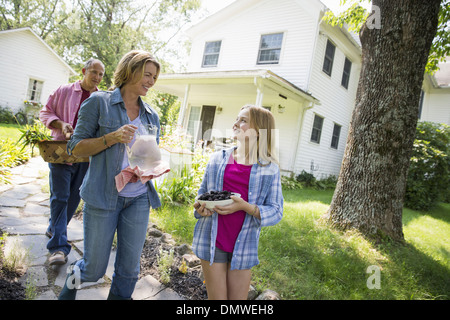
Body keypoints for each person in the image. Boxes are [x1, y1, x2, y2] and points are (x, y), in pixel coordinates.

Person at [61, 50, 161, 300]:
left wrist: (151, 167)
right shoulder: (99, 103)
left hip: (138, 198)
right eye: (147, 75)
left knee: (129, 270)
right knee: (92, 269)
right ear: (131, 70)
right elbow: (75, 146)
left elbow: (147, 158)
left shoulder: (152, 116)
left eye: (154, 78)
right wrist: (111, 138)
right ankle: (69, 286)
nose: (150, 81)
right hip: (103, 195)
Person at [192, 104, 283, 300]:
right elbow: (201, 195)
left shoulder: (269, 168)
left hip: (244, 246)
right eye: (236, 118)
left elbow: (276, 211)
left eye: (243, 120)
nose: (235, 124)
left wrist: (245, 207)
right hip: (212, 240)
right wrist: (200, 208)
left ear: (259, 131)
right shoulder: (217, 159)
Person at [39, 58, 105, 266]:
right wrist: (61, 124)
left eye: (101, 74)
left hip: (85, 156)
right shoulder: (64, 90)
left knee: (74, 198)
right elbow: (45, 112)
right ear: (84, 71)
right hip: (60, 152)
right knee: (60, 196)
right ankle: (58, 247)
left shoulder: (101, 98)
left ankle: (54, 228)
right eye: (94, 72)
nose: (97, 77)